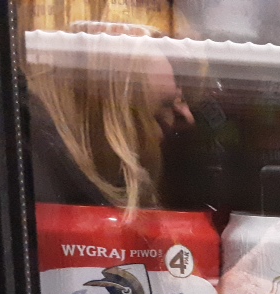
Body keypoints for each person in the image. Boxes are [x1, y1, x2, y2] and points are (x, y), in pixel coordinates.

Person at [25, 26, 195, 211]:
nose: (189, 117)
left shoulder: (55, 175)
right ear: (113, 122)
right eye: (161, 110)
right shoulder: (41, 181)